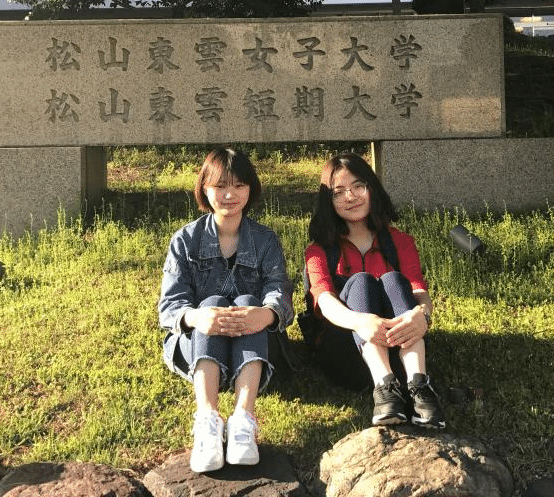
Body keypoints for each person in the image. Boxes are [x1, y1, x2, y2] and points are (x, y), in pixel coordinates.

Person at [158, 147, 294, 473]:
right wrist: (197, 317)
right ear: (205, 189)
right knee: (210, 305)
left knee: (249, 302)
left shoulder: (265, 240)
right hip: (198, 347)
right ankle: (207, 420)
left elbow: (279, 292)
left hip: (255, 348)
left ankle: (243, 420)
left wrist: (266, 313)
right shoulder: (185, 240)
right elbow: (170, 306)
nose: (229, 195)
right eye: (220, 186)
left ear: (251, 189)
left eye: (239, 185)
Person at [303, 152, 445, 428]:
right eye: (338, 192)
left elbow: (417, 288)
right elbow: (325, 300)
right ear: (329, 201)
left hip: (399, 348)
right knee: (362, 282)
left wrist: (422, 314)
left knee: (393, 280)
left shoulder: (400, 241)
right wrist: (360, 322)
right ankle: (385, 388)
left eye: (358, 186)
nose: (350, 197)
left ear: (372, 188)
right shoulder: (319, 250)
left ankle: (418, 385)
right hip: (348, 355)